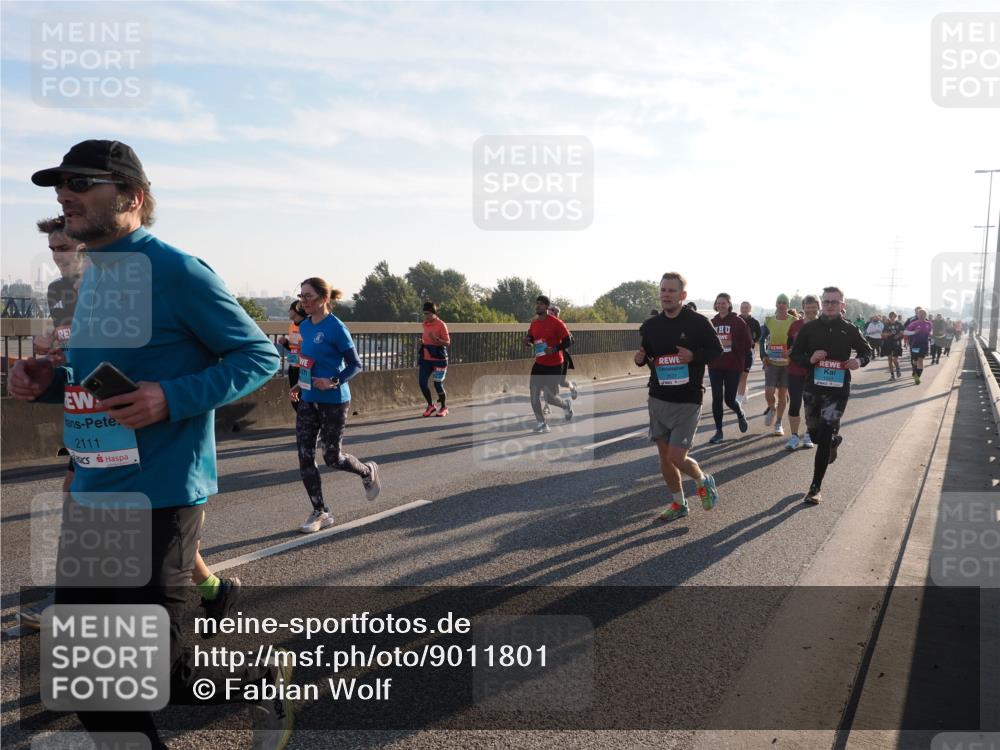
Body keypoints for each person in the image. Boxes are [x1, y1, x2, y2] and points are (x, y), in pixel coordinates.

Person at [12, 139, 289, 749]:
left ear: (132, 197)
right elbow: (103, 381)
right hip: (92, 496)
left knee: (152, 674)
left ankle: (259, 679)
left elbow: (259, 355)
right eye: (61, 187)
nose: (66, 195)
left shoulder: (176, 270)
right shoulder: (92, 276)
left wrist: (173, 397)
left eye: (82, 183)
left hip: (159, 495)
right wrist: (49, 383)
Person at [20, 217, 240, 634]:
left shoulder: (143, 282)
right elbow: (79, 361)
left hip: (142, 439)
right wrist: (48, 371)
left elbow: (253, 355)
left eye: (66, 248)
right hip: (89, 423)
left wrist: (168, 398)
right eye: (52, 250)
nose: (59, 257)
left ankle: (205, 586)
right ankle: (209, 586)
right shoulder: (59, 292)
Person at [290, 277, 381, 532]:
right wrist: (301, 383)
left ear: (323, 299)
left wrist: (333, 380)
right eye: (301, 296)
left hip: (334, 401)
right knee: (305, 456)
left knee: (332, 457)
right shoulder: (305, 327)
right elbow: (309, 360)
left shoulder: (336, 328)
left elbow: (355, 364)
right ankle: (320, 511)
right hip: (309, 400)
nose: (303, 301)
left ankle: (366, 471)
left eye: (308, 296)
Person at [635, 272, 722, 521]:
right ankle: (678, 503)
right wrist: (640, 359)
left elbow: (716, 351)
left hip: (687, 399)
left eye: (671, 291)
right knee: (664, 459)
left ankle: (702, 479)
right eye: (663, 290)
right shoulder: (651, 325)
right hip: (659, 397)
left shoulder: (698, 323)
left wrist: (694, 356)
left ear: (682, 295)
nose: (666, 295)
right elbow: (648, 354)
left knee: (676, 457)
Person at [789, 286, 872, 504]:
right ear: (821, 304)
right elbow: (795, 355)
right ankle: (833, 441)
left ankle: (815, 487)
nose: (830, 305)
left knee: (824, 435)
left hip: (837, 391)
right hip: (813, 389)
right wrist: (810, 358)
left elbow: (867, 351)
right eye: (827, 302)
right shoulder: (809, 329)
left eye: (835, 302)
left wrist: (858, 361)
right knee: (815, 435)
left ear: (842, 305)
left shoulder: (849, 329)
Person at [524, 295, 573, 433]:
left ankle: (565, 404)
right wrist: (527, 340)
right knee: (534, 395)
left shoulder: (557, 323)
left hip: (555, 364)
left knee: (549, 398)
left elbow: (568, 341)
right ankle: (542, 424)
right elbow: (531, 335)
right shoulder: (534, 323)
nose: (537, 306)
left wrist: (555, 349)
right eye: (536, 304)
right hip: (539, 363)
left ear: (546, 306)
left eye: (540, 304)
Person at [707, 293, 750, 444]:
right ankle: (718, 431)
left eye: (723, 303)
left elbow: (748, 344)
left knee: (729, 399)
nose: (720, 305)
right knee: (717, 398)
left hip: (733, 366)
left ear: (729, 304)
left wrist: (730, 343)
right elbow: (706, 343)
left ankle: (740, 413)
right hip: (715, 366)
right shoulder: (711, 322)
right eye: (718, 303)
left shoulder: (738, 322)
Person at [784, 294, 819, 451]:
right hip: (795, 370)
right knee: (795, 403)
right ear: (803, 308)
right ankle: (793, 436)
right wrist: (788, 352)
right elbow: (789, 345)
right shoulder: (795, 325)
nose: (810, 310)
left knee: (812, 405)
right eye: (807, 307)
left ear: (818, 307)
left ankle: (808, 434)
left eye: (813, 307)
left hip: (816, 371)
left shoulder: (823, 325)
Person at [759, 293, 794, 437]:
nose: (781, 304)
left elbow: (798, 341)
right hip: (772, 362)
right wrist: (763, 355)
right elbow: (762, 340)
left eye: (784, 302)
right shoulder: (769, 321)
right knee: (769, 391)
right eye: (779, 302)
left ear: (788, 305)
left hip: (787, 363)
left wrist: (792, 353)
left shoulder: (794, 321)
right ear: (776, 304)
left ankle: (778, 423)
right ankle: (771, 408)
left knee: (782, 394)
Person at [417, 301, 451, 417]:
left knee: (437, 384)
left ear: (434, 313)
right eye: (424, 314)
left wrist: (436, 339)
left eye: (428, 314)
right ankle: (431, 405)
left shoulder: (441, 325)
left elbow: (447, 343)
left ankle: (444, 407)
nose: (426, 316)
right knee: (422, 383)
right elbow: (427, 338)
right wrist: (423, 342)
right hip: (426, 358)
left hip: (439, 359)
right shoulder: (425, 324)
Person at [278, 300, 306, 411]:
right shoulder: (292, 326)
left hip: (305, 367)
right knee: (294, 397)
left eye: (290, 308)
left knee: (305, 397)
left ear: (297, 311)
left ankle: (307, 423)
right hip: (294, 365)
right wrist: (285, 343)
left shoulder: (307, 325)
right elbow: (294, 348)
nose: (288, 311)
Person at [548, 304, 578, 405]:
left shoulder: (560, 325)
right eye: (548, 313)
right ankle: (548, 405)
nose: (548, 315)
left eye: (551, 313)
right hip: (549, 357)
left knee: (560, 382)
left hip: (562, 357)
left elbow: (571, 340)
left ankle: (572, 387)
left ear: (556, 314)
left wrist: (558, 347)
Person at [737, 300, 761, 407]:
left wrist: (753, 340)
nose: (744, 309)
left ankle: (738, 400)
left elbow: (759, 335)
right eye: (742, 307)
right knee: (737, 376)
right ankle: (743, 391)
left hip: (749, 351)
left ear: (750, 309)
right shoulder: (735, 320)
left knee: (744, 375)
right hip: (736, 352)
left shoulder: (754, 322)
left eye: (746, 307)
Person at [904, 308, 933, 384]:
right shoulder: (914, 323)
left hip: (924, 345)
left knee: (920, 361)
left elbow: (931, 331)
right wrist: (914, 332)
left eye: (924, 314)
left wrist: (931, 334)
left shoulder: (929, 323)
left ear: (926, 315)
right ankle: (914, 372)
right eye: (920, 314)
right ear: (918, 315)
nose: (922, 315)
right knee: (914, 361)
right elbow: (905, 332)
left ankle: (917, 378)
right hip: (915, 345)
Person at [881, 311, 904, 380]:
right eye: (891, 317)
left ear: (895, 317)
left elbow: (903, 332)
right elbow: (882, 334)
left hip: (896, 343)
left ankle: (898, 369)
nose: (892, 318)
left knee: (895, 359)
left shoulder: (899, 324)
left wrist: (898, 335)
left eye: (894, 316)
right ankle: (892, 375)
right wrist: (888, 334)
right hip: (888, 343)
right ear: (890, 317)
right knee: (889, 360)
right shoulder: (886, 325)